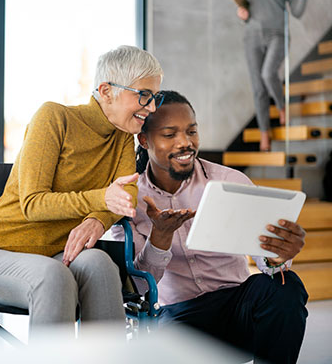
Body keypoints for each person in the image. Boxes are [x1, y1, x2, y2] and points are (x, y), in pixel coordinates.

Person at [0, 45, 163, 338]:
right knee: (53, 277)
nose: (152, 107)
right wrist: (100, 199)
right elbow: (33, 204)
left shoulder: (121, 136)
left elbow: (125, 196)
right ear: (106, 91)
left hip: (58, 256)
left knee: (100, 264)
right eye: (143, 95)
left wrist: (97, 219)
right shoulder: (54, 117)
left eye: (155, 97)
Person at [113, 90, 308, 363]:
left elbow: (267, 263)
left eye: (191, 132)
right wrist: (160, 238)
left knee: (286, 288)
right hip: (178, 315)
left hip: (238, 305)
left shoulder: (230, 181)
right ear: (144, 140)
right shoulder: (128, 200)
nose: (185, 143)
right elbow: (135, 289)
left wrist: (277, 256)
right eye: (170, 135)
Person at [237, 0, 309, 151]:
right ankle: (264, 133)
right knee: (258, 88)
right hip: (252, 37)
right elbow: (252, 14)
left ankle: (281, 106)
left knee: (268, 74)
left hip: (277, 34)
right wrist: (244, 16)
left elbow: (298, 12)